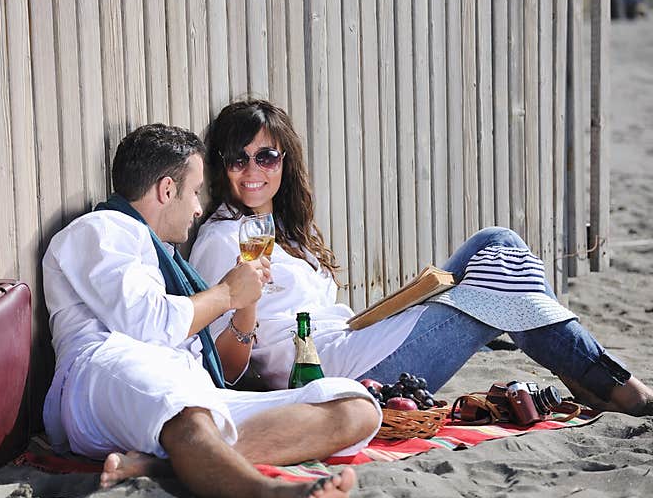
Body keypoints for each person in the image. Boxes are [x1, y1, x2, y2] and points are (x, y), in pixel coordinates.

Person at [189, 98, 653, 416]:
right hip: (338, 375)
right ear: (221, 165)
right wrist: (244, 305)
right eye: (238, 158)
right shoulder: (220, 240)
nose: (252, 171)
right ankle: (610, 383)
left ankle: (589, 375)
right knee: (498, 284)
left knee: (498, 240)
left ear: (284, 161)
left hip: (355, 338)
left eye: (266, 156)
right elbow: (225, 367)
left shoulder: (289, 232)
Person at [41, 123, 383, 498]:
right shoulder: (99, 230)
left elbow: (225, 367)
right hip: (103, 374)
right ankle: (267, 496)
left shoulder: (166, 258)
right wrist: (224, 294)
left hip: (178, 385)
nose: (199, 207)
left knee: (355, 407)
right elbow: (146, 324)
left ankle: (161, 467)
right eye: (195, 191)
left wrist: (244, 303)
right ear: (167, 190)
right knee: (186, 410)